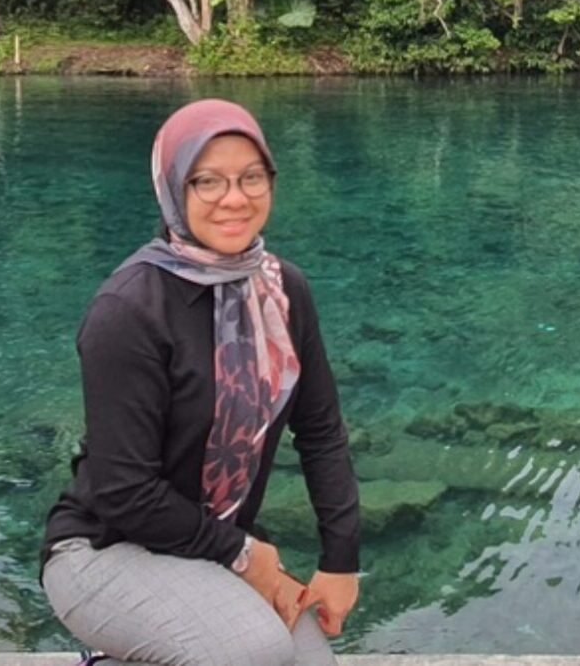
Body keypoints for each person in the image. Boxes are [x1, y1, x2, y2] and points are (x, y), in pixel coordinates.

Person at [41, 99, 362, 666]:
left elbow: (320, 431)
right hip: (104, 550)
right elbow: (123, 492)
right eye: (206, 181)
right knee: (254, 651)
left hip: (214, 547)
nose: (234, 198)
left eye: (251, 177)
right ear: (172, 189)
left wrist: (340, 560)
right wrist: (246, 555)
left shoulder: (283, 291)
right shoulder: (129, 310)